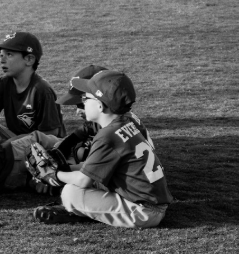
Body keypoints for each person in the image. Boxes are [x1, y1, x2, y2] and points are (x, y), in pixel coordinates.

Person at [33, 70, 173, 228]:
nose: (83, 102)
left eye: (86, 98)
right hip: (149, 202)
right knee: (86, 181)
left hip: (145, 212)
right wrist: (65, 167)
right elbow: (93, 168)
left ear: (100, 105)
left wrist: (54, 174)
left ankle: (81, 212)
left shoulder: (107, 135)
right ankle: (88, 211)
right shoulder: (123, 124)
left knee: (70, 193)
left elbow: (84, 180)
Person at [0, 31, 65, 143]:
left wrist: (14, 143)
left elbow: (50, 134)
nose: (2, 60)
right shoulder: (5, 82)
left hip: (43, 150)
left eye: (9, 55)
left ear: (29, 59)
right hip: (15, 141)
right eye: (1, 55)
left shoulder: (42, 90)